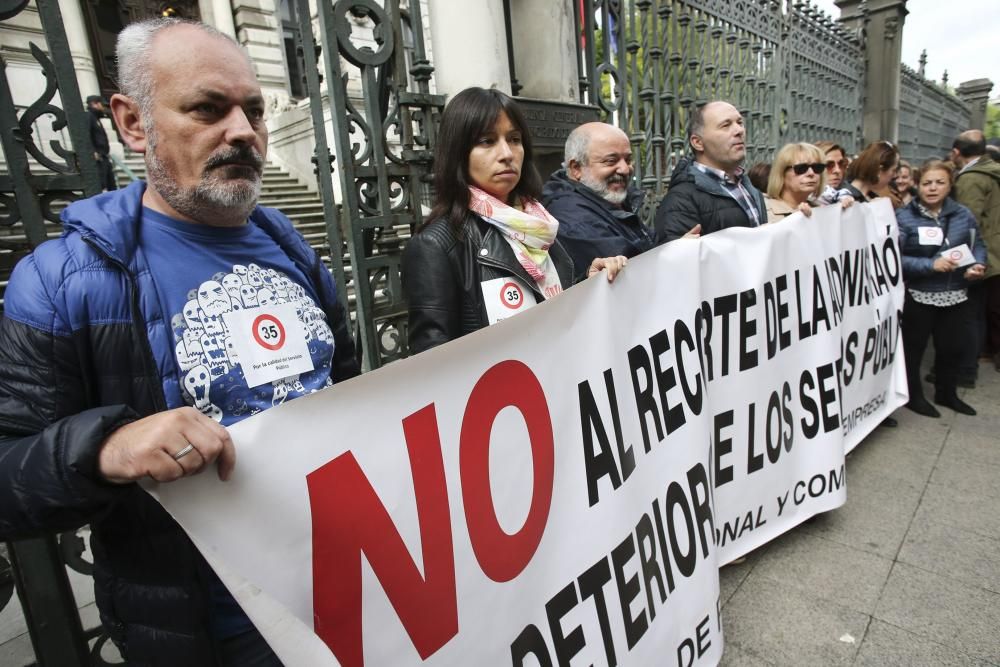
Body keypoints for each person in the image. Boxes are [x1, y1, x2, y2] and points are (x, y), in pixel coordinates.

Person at [0, 19, 358, 665]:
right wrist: (103, 447)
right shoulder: (61, 282)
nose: (243, 131)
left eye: (253, 109)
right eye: (208, 109)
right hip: (213, 631)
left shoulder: (291, 247)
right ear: (133, 123)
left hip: (353, 584)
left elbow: (347, 386)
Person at [402, 87, 626, 354]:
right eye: (487, 141)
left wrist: (588, 282)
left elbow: (549, 308)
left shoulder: (537, 225)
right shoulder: (435, 246)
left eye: (515, 139)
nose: (507, 153)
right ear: (458, 153)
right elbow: (431, 366)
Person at [897, 159, 986, 417]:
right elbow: (894, 258)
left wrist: (978, 265)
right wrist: (930, 265)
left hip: (956, 292)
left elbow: (977, 244)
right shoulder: (903, 217)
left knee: (952, 348)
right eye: (927, 183)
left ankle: (947, 394)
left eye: (939, 183)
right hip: (919, 294)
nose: (933, 188)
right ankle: (914, 397)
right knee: (914, 349)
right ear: (917, 184)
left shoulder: (963, 214)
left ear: (950, 185)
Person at [541, 122, 655, 281]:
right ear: (576, 169)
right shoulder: (572, 217)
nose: (625, 169)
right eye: (611, 161)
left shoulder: (606, 198)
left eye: (628, 160)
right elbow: (634, 271)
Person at [654, 100, 766, 242]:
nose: (739, 131)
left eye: (740, 122)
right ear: (698, 142)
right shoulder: (681, 201)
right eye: (726, 125)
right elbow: (676, 259)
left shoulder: (748, 188)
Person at [951, 130, 1000, 373]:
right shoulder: (992, 172)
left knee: (969, 313)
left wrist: (961, 261)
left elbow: (967, 225)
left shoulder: (971, 179)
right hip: (994, 251)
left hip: (981, 256)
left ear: (956, 153)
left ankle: (963, 367)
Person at [843, 141, 902, 208]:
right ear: (879, 170)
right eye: (893, 170)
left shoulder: (873, 198)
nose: (895, 175)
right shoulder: (844, 198)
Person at [86, 94, 118, 191]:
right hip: (98, 157)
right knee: (100, 184)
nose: (103, 107)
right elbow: (86, 135)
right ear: (94, 104)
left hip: (104, 156)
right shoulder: (89, 117)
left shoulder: (96, 119)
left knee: (111, 184)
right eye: (101, 104)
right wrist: (93, 151)